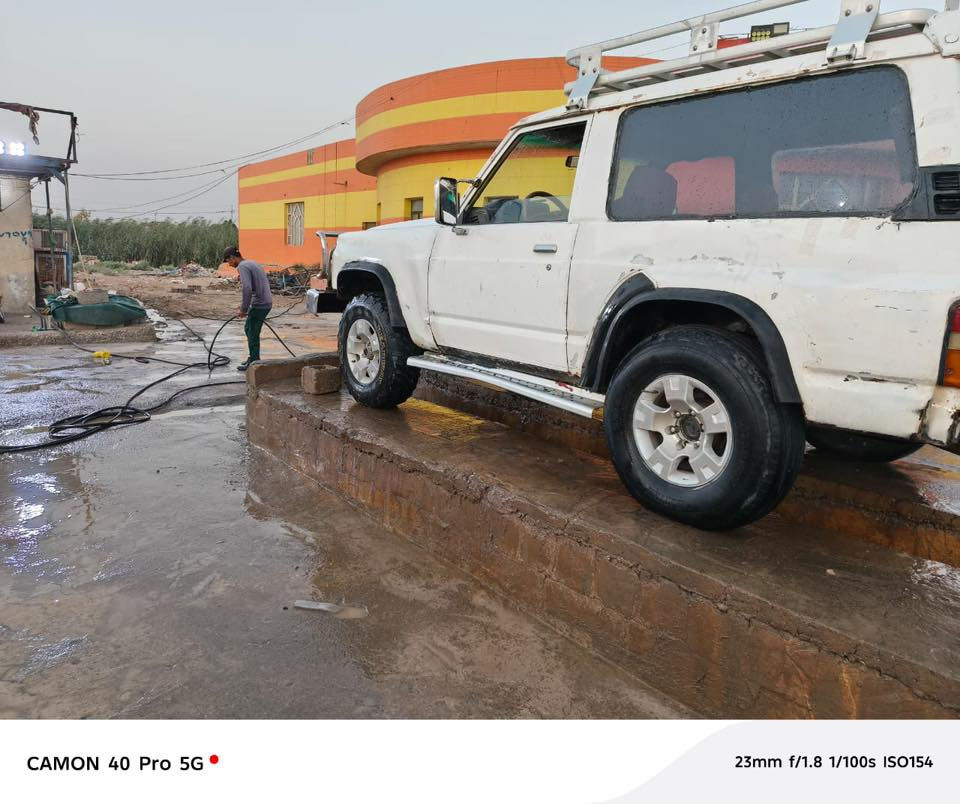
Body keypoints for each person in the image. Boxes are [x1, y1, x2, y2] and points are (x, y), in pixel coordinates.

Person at [222, 246, 273, 371]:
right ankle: (253, 357)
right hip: (263, 302)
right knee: (249, 328)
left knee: (252, 332)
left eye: (228, 261)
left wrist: (244, 309)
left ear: (233, 258)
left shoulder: (242, 267)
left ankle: (255, 363)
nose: (229, 264)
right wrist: (246, 306)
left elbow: (247, 288)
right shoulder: (251, 263)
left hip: (260, 304)